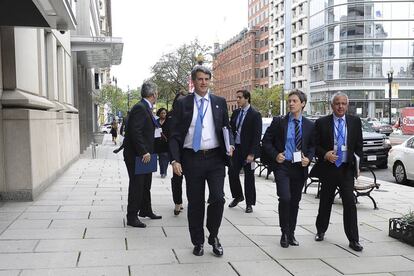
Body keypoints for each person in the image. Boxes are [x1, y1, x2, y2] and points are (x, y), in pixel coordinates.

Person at [169, 65, 233, 257]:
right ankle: (197, 241)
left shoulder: (219, 102)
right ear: (193, 81)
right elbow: (174, 135)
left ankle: (213, 236)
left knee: (218, 198)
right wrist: (175, 160)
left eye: (206, 79)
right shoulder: (183, 104)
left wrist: (230, 144)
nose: (203, 82)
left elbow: (226, 128)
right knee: (195, 203)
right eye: (199, 79)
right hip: (192, 159)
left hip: (215, 158)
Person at [262, 89, 315, 248]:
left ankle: (291, 233)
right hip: (282, 166)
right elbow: (266, 142)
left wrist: (309, 159)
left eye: (294, 101)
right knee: (285, 198)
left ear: (303, 104)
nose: (291, 103)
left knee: (295, 201)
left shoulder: (310, 125)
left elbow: (312, 146)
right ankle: (284, 232)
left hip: (299, 168)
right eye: (289, 101)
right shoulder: (279, 122)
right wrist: (276, 155)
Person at [313, 91, 364, 252]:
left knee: (349, 203)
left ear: (347, 106)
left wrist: (357, 164)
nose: (340, 106)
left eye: (343, 103)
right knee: (325, 201)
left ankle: (353, 239)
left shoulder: (355, 122)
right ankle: (320, 230)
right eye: (337, 103)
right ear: (332, 105)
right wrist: (325, 154)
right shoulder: (322, 122)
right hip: (329, 169)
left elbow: (358, 146)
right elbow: (315, 146)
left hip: (346, 170)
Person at [123, 81, 162, 228]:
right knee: (137, 185)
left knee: (146, 184)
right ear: (153, 94)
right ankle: (132, 216)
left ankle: (146, 210)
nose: (157, 95)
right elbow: (135, 132)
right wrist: (143, 151)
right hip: (138, 155)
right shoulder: (140, 108)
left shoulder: (147, 107)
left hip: (147, 154)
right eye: (157, 93)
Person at [228, 90, 262, 213]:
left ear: (247, 98)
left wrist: (252, 153)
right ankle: (238, 196)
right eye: (237, 97)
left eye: (240, 97)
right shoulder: (236, 113)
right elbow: (231, 129)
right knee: (232, 173)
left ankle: (249, 203)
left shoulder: (255, 114)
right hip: (236, 149)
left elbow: (257, 136)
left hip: (248, 151)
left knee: (249, 177)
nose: (237, 100)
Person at [168, 92, 186, 216]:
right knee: (177, 179)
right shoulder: (171, 116)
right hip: (177, 153)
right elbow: (171, 138)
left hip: (191, 153)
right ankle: (177, 202)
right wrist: (174, 159)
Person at [155, 107, 169, 178]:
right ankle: (162, 171)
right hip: (158, 142)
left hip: (166, 142)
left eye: (164, 113)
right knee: (161, 158)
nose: (163, 114)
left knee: (165, 157)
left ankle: (164, 172)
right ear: (159, 114)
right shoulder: (156, 121)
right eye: (162, 113)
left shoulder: (168, 121)